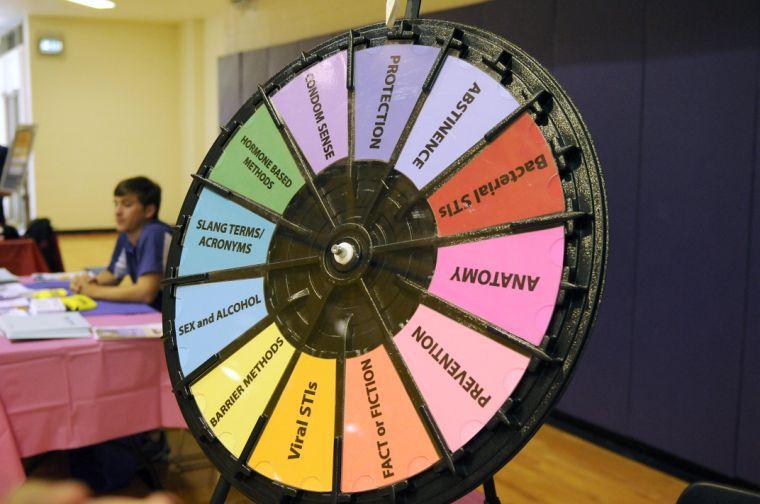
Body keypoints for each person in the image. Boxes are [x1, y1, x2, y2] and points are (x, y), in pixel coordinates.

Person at [70, 177, 171, 310]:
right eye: (116, 204)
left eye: (127, 205)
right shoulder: (127, 234)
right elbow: (113, 274)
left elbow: (145, 293)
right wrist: (88, 282)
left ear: (149, 211)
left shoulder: (154, 233)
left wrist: (92, 291)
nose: (117, 211)